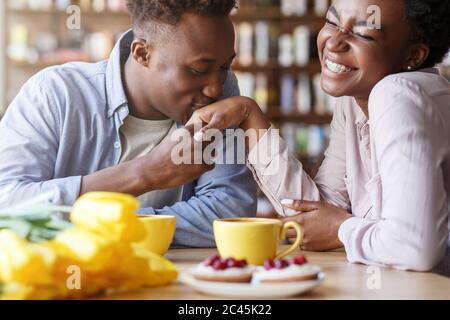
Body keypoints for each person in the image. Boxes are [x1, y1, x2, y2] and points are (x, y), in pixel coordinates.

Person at [188, 0, 450, 275]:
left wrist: (340, 228)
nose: (334, 42)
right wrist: (249, 116)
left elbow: (413, 248)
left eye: (362, 34)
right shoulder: (355, 102)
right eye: (332, 22)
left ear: (413, 56)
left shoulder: (397, 94)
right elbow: (314, 216)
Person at [0, 0, 257, 247]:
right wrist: (145, 173)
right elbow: (6, 204)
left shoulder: (221, 95)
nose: (215, 88)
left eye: (225, 67)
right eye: (198, 70)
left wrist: (106, 225)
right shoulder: (54, 94)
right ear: (142, 53)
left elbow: (229, 210)